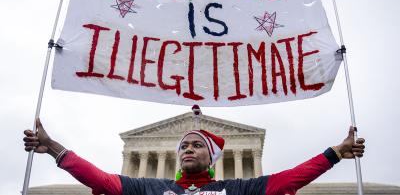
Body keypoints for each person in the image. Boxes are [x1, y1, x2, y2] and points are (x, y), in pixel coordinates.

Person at [23, 118, 365, 195]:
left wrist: (334, 153)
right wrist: (54, 147)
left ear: (211, 156)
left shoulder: (234, 190)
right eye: (184, 145)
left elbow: (289, 179)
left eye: (196, 144)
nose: (188, 148)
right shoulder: (151, 188)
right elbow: (102, 181)